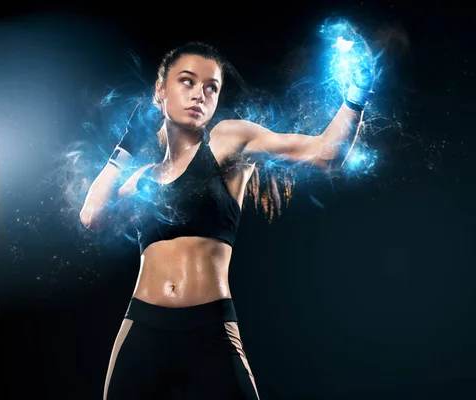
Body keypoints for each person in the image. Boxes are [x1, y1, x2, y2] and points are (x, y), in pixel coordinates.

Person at [79, 40, 373, 399]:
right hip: (142, 327)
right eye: (187, 81)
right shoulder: (142, 179)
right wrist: (124, 148)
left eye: (210, 87)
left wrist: (358, 92)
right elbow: (92, 216)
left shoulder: (226, 139)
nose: (199, 94)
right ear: (160, 90)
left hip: (210, 329)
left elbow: (327, 154)